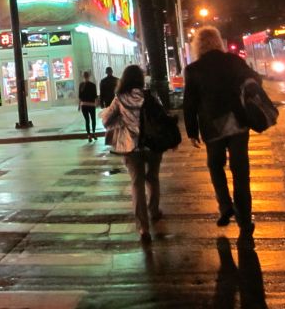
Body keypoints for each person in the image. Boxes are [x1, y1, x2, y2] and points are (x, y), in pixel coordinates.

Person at [183, 26, 259, 240]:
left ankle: (225, 205)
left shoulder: (194, 69)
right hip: (239, 123)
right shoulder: (235, 62)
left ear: (197, 45)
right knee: (241, 172)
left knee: (215, 165)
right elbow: (255, 82)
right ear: (219, 41)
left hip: (212, 125)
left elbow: (189, 103)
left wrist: (192, 131)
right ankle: (245, 221)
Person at [101, 65, 165, 244]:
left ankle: (143, 228)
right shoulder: (150, 96)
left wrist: (122, 123)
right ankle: (154, 211)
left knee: (136, 183)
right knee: (153, 178)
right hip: (152, 146)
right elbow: (162, 115)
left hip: (131, 148)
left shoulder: (119, 99)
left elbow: (106, 120)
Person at [78, 71, 98, 141]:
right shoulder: (93, 85)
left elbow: (80, 97)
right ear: (89, 76)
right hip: (91, 105)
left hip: (84, 105)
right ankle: (94, 133)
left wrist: (79, 106)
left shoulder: (81, 85)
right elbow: (95, 96)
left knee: (87, 121)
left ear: (83, 76)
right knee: (93, 120)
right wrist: (96, 104)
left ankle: (89, 135)